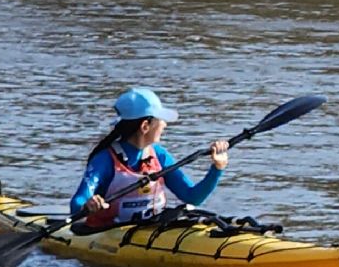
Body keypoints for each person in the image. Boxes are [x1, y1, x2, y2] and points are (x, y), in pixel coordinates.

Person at [68, 87, 227, 229]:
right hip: (107, 233)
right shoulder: (105, 159)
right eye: (160, 119)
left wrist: (217, 168)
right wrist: (88, 205)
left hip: (150, 230)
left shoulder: (160, 155)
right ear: (145, 126)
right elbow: (77, 203)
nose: (165, 124)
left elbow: (192, 197)